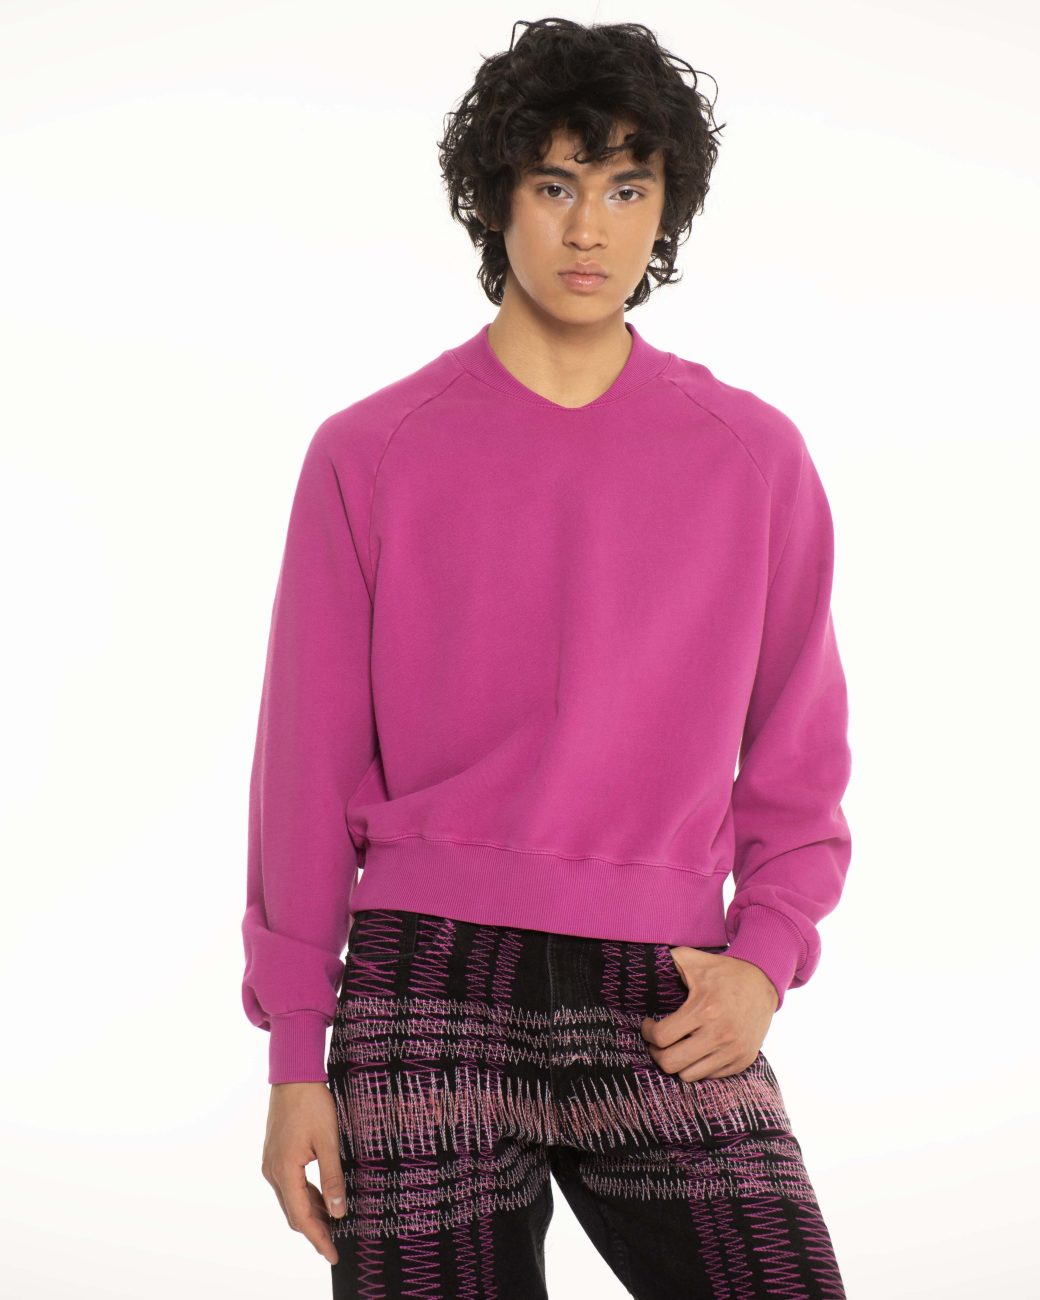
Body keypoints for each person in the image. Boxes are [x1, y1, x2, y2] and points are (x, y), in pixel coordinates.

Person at [241, 17, 852, 1299]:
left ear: (666, 207)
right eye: (554, 184)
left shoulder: (751, 459)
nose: (590, 229)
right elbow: (304, 773)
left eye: (627, 187)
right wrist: (296, 1052)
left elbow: (796, 761)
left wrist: (764, 958)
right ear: (494, 198)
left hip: (663, 989)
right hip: (425, 985)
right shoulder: (371, 452)